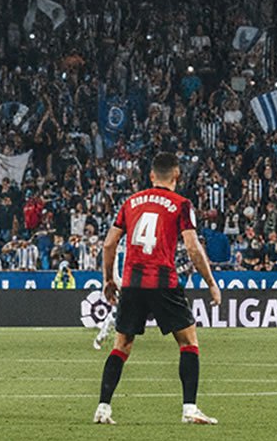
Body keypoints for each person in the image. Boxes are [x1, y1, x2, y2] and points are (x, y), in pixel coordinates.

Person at [94, 152, 221, 425]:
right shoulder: (181, 204)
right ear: (177, 176)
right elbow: (191, 246)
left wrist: (108, 279)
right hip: (163, 281)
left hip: (132, 283)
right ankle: (190, 409)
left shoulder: (130, 202)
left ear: (151, 176)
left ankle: (103, 408)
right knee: (188, 342)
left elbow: (108, 244)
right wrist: (211, 282)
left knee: (122, 345)